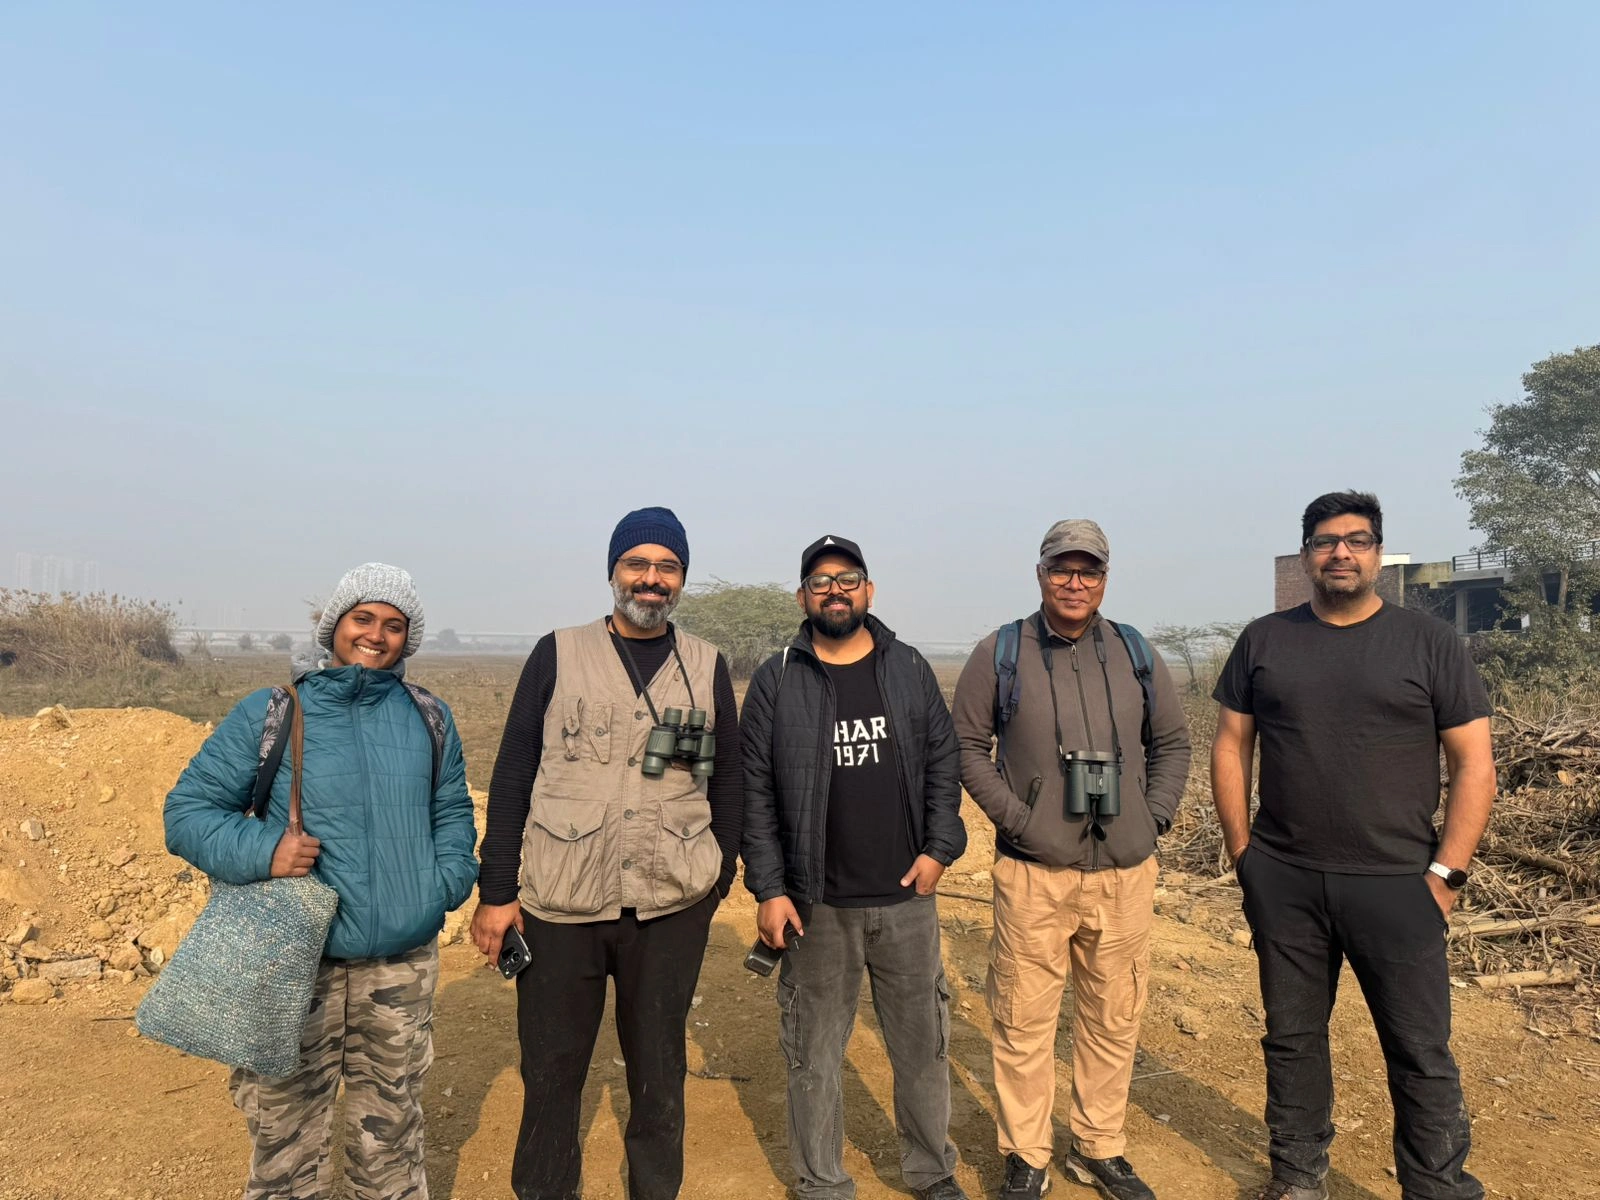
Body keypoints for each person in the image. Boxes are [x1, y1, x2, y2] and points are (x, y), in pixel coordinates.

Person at [1211, 491, 1495, 1200]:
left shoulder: (1429, 642)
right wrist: (1245, 855)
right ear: (1307, 554)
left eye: (1357, 540)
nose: (1341, 552)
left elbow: (1473, 764)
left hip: (1399, 882)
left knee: (1419, 1049)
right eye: (1326, 541)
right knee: (1292, 1039)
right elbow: (1231, 745)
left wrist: (1446, 875)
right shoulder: (1265, 640)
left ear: (1377, 553)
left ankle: (1436, 1187)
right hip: (1286, 879)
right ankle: (1297, 1178)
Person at [164, 562, 479, 1200]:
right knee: (285, 1135)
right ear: (334, 623)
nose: (376, 635)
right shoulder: (274, 711)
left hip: (400, 965)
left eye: (394, 625)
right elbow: (187, 813)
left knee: (391, 1132)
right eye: (363, 618)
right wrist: (266, 850)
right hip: (295, 961)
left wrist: (442, 885)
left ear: (408, 639)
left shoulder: (429, 717)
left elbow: (451, 813)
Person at [470, 506, 743, 1200]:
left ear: (681, 578)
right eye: (637, 564)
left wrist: (715, 881)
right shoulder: (557, 653)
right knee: (551, 1071)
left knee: (659, 1073)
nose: (652, 579)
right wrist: (497, 891)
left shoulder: (706, 665)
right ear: (613, 571)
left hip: (671, 904)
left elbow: (731, 781)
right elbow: (513, 773)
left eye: (667, 567)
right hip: (563, 902)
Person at [952, 520, 1191, 1200]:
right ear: (1040, 573)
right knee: (1023, 1019)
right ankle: (1026, 1156)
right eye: (1062, 568)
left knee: (1114, 1016)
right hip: (1034, 872)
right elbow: (966, 746)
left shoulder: (1135, 652)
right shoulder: (1001, 652)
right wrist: (1020, 820)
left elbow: (1173, 743)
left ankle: (1098, 1147)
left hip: (1125, 872)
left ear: (1105, 579)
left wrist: (1153, 816)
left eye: (1089, 570)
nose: (1075, 582)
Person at [741, 535, 969, 1200]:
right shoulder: (778, 679)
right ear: (802, 597)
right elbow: (755, 790)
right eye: (820, 582)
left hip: (906, 899)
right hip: (816, 905)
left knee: (922, 1048)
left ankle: (931, 1170)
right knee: (813, 1055)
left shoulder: (908, 667)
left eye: (848, 578)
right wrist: (770, 888)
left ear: (869, 590)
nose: (834, 591)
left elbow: (944, 761)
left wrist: (939, 849)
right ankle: (821, 1182)